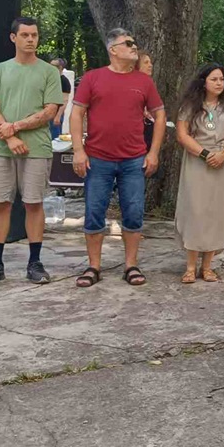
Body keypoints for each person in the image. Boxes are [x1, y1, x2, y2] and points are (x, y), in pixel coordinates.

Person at [69, 28, 165, 288]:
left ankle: (131, 265)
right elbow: (76, 114)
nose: (134, 47)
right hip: (97, 159)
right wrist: (78, 150)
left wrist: (153, 152)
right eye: (128, 43)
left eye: (134, 42)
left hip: (134, 160)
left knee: (134, 212)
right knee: (94, 212)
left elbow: (160, 115)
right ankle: (93, 267)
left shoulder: (144, 82)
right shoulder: (93, 78)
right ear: (113, 49)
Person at [0, 18, 65, 286]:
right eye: (25, 35)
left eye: (34, 35)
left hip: (36, 148)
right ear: (13, 38)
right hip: (1, 148)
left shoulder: (49, 72)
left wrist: (14, 127)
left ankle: (34, 263)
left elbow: (50, 111)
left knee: (34, 204)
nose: (30, 40)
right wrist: (10, 137)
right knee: (1, 203)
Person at [174, 64, 224, 283]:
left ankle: (207, 267)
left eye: (222, 79)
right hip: (197, 162)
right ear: (203, 82)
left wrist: (223, 154)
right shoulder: (190, 106)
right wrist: (205, 154)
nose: (218, 83)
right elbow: (182, 135)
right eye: (214, 79)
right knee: (195, 211)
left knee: (217, 211)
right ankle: (190, 266)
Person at [49, 58, 72, 140]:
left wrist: (58, 116)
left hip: (56, 113)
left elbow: (64, 100)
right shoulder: (51, 80)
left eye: (53, 66)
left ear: (60, 67)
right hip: (47, 112)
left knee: (55, 138)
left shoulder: (64, 81)